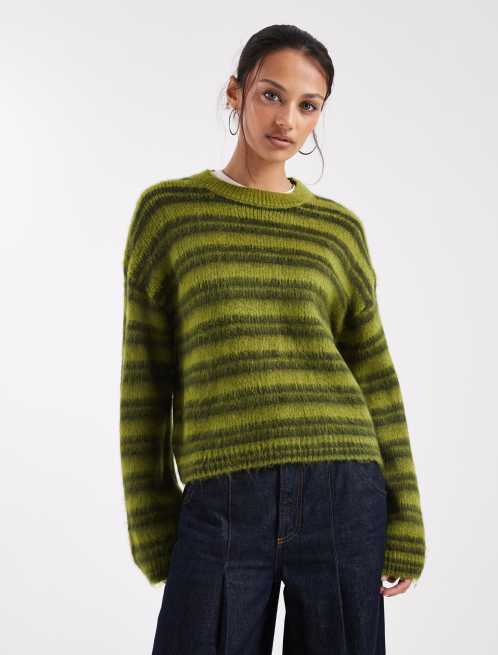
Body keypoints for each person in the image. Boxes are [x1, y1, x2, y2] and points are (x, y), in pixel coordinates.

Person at [119, 24, 426, 655]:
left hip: (344, 488)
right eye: (271, 95)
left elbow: (376, 377)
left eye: (308, 105)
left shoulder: (338, 231)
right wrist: (151, 523)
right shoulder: (170, 214)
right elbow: (144, 381)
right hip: (224, 497)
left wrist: (407, 519)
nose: (287, 119)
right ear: (235, 93)